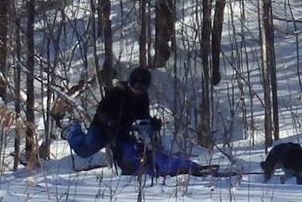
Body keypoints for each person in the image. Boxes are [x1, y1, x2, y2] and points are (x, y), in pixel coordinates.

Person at [62, 67, 207, 176]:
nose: (139, 90)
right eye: (137, 86)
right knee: (84, 150)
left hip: (123, 131)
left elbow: (142, 117)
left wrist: (152, 123)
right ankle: (72, 130)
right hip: (103, 127)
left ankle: (180, 166)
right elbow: (101, 111)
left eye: (143, 87)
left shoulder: (143, 98)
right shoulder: (117, 93)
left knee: (135, 152)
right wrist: (110, 122)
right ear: (131, 83)